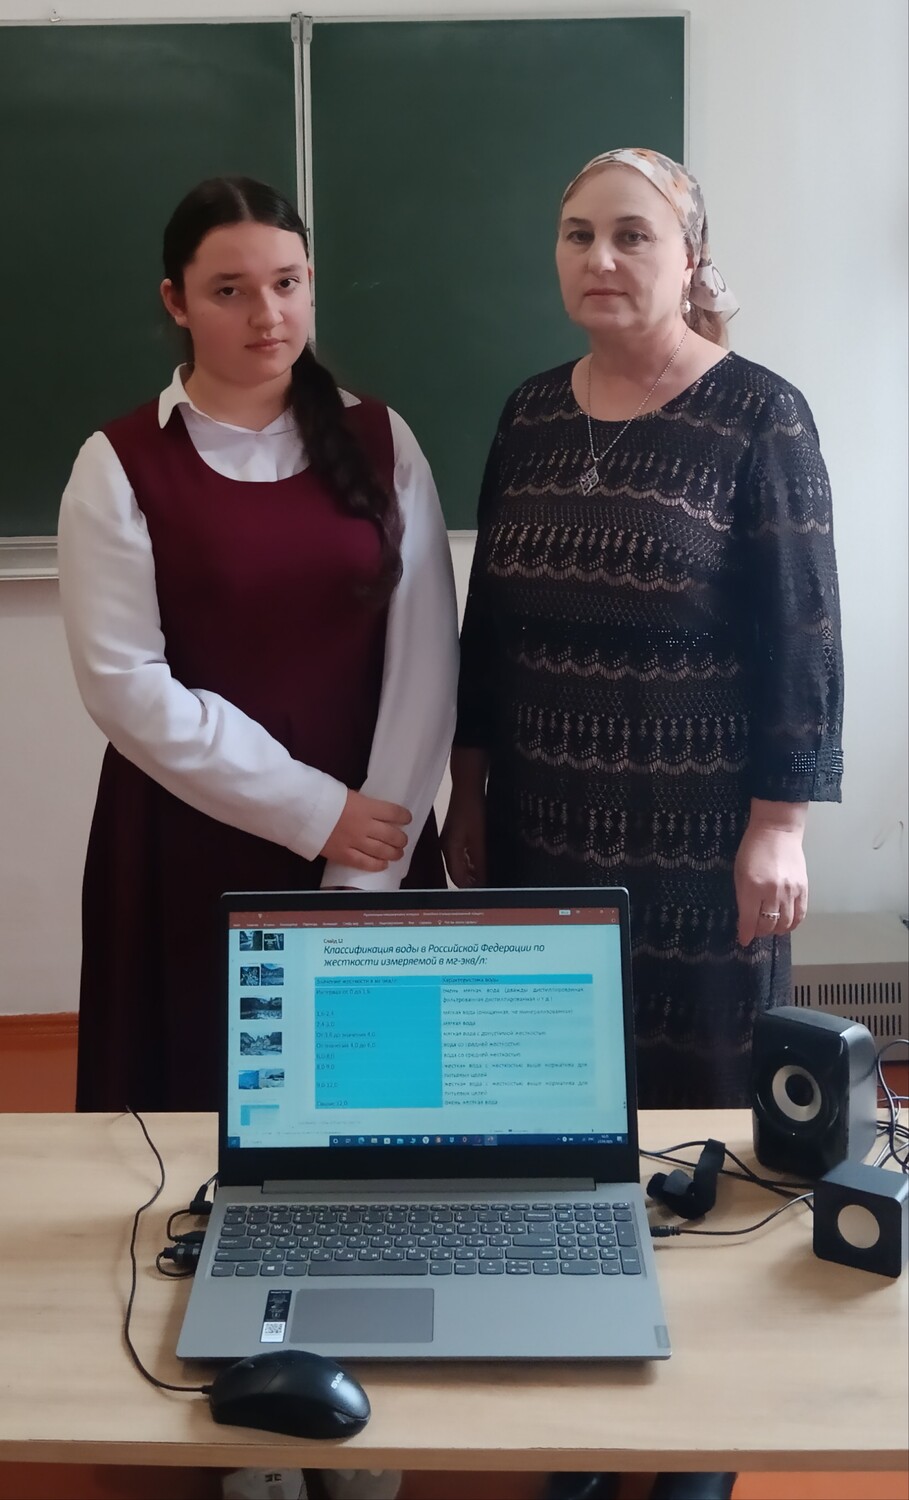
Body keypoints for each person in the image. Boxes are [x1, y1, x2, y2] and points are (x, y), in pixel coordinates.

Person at [443, 146, 844, 1114]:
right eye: (578, 235)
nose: (601, 259)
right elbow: (487, 623)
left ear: (690, 255)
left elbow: (804, 637)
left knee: (702, 1115)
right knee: (543, 1096)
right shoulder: (530, 413)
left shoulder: (761, 415)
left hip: (699, 850)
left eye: (632, 236)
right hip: (539, 828)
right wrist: (466, 792)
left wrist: (780, 828)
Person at [60, 175, 459, 1116]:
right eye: (229, 290)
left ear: (311, 283)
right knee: (191, 1115)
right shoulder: (118, 463)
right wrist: (314, 811)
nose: (267, 314)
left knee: (377, 1112)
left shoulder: (381, 439)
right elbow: (125, 685)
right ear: (177, 303)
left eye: (286, 283)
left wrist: (369, 853)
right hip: (186, 837)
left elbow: (426, 658)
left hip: (376, 823)